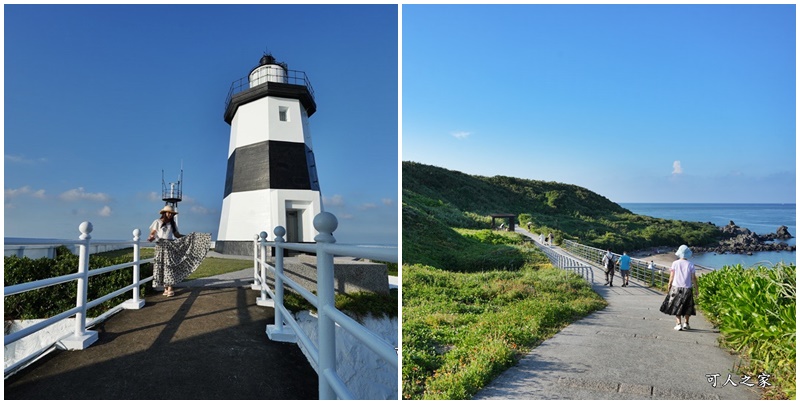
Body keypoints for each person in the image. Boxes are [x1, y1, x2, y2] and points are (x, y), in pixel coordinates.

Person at [147, 205, 211, 297]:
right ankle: (165, 287)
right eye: (168, 213)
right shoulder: (157, 222)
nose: (169, 215)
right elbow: (153, 232)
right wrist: (151, 237)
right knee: (161, 266)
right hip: (160, 246)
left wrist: (188, 237)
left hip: (170, 246)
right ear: (164, 213)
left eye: (171, 213)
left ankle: (170, 287)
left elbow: (177, 235)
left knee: (170, 266)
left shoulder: (173, 224)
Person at [659, 245, 698, 331]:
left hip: (676, 287)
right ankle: (686, 323)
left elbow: (672, 276)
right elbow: (693, 278)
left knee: (676, 305)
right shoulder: (690, 264)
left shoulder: (675, 263)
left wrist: (669, 285)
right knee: (688, 306)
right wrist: (696, 289)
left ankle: (678, 323)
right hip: (687, 288)